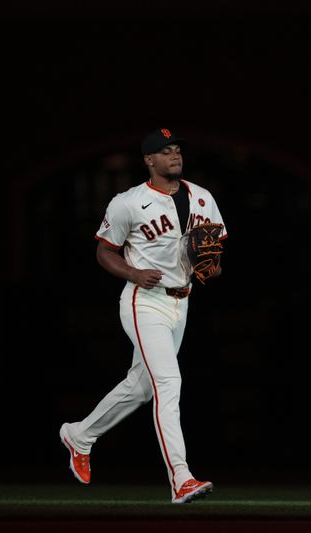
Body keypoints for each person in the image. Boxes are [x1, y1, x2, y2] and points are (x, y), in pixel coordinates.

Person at [59, 127, 227, 504]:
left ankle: (80, 435)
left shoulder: (203, 198)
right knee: (168, 382)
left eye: (177, 149)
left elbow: (214, 261)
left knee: (142, 386)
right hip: (143, 300)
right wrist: (133, 272)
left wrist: (210, 267)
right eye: (164, 151)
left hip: (181, 302)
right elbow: (104, 251)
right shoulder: (128, 202)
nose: (174, 155)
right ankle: (181, 478)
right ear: (149, 160)